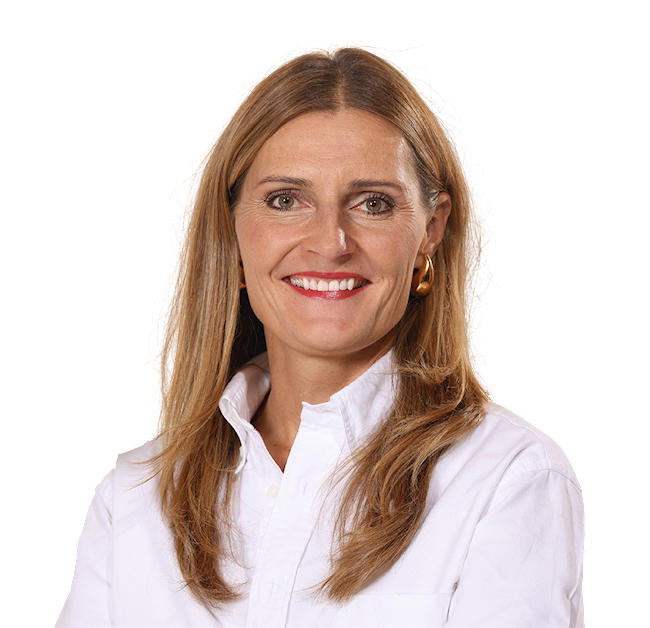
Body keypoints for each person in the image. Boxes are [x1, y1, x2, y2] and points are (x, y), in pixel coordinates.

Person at [55, 45, 585, 627]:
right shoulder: (135, 497)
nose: (330, 242)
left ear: (430, 232)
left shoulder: (508, 480)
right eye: (286, 200)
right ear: (231, 229)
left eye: (373, 204)